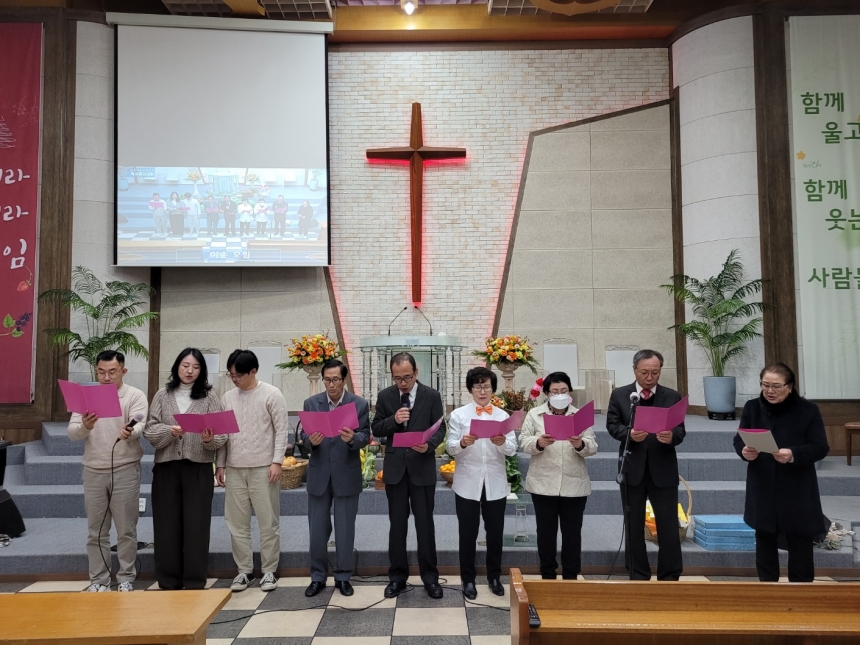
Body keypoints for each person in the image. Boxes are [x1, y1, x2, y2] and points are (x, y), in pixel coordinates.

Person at [733, 363, 829, 582]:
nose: (770, 391)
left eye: (776, 386)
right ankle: (768, 592)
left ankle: (800, 593)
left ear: (790, 386)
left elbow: (820, 447)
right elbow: (739, 439)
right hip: (763, 484)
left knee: (800, 544)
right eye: (765, 385)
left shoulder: (808, 410)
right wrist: (744, 451)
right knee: (764, 541)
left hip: (797, 487)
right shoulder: (752, 407)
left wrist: (793, 454)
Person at [144, 348, 226, 590]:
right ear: (177, 366)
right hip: (166, 468)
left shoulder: (209, 397)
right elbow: (150, 430)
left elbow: (222, 434)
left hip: (198, 469)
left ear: (202, 371)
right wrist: (170, 431)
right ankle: (168, 580)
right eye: (185, 365)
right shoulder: (162, 395)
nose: (190, 371)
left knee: (196, 526)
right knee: (166, 524)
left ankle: (194, 580)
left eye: (196, 367)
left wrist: (209, 439)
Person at [66, 350, 148, 592]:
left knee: (126, 529)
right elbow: (72, 433)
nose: (106, 377)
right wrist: (85, 426)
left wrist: (130, 432)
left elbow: (140, 424)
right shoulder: (86, 397)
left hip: (125, 468)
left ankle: (125, 578)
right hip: (93, 469)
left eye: (112, 372)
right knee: (96, 531)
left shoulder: (134, 395)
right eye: (101, 372)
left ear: (123, 371)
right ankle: (99, 580)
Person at [371, 352, 446, 599]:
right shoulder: (385, 396)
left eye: (407, 377)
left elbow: (440, 428)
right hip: (396, 470)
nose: (402, 383)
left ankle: (430, 578)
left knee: (425, 526)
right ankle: (397, 578)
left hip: (421, 468)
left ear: (416, 373)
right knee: (397, 526)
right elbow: (376, 428)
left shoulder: (431, 395)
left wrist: (429, 445)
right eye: (397, 378)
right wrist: (393, 419)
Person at [607, 349, 685, 581]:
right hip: (633, 468)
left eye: (655, 372)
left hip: (663, 469)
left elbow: (680, 431)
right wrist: (629, 433)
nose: (650, 377)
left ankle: (670, 575)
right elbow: (612, 425)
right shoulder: (621, 395)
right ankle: (638, 573)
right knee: (633, 524)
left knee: (668, 525)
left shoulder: (671, 396)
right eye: (644, 372)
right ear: (634, 370)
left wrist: (671, 436)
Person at [216, 350, 289, 593]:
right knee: (237, 523)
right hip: (235, 468)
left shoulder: (271, 394)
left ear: (253, 371)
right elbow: (223, 436)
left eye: (238, 375)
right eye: (231, 375)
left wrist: (277, 461)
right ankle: (244, 571)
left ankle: (269, 571)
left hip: (264, 467)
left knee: (268, 521)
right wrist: (220, 464)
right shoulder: (227, 398)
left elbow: (281, 430)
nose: (234, 379)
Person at [300, 359, 370, 598]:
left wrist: (353, 439)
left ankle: (343, 577)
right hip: (319, 474)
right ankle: (317, 576)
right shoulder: (312, 403)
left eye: (336, 380)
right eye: (327, 380)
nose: (331, 385)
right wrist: (310, 441)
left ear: (344, 379)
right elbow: (304, 436)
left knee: (345, 530)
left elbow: (365, 435)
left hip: (346, 474)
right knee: (317, 531)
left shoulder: (358, 404)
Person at [446, 366, 517, 599]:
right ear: (470, 390)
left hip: (495, 482)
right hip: (467, 482)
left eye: (486, 386)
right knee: (467, 534)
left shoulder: (502, 416)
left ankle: (494, 577)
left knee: (495, 533)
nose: (482, 391)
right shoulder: (459, 415)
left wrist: (501, 443)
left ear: (493, 389)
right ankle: (468, 579)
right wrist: (463, 443)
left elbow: (512, 449)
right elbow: (450, 447)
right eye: (478, 387)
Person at [519, 372, 597, 580]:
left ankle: (571, 576)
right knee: (546, 533)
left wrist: (580, 444)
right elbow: (523, 441)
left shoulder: (579, 415)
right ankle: (548, 574)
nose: (560, 394)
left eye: (564, 390)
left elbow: (592, 446)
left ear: (570, 392)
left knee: (572, 533)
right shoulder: (535, 414)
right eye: (555, 391)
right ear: (546, 393)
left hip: (574, 484)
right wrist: (538, 443)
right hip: (543, 483)